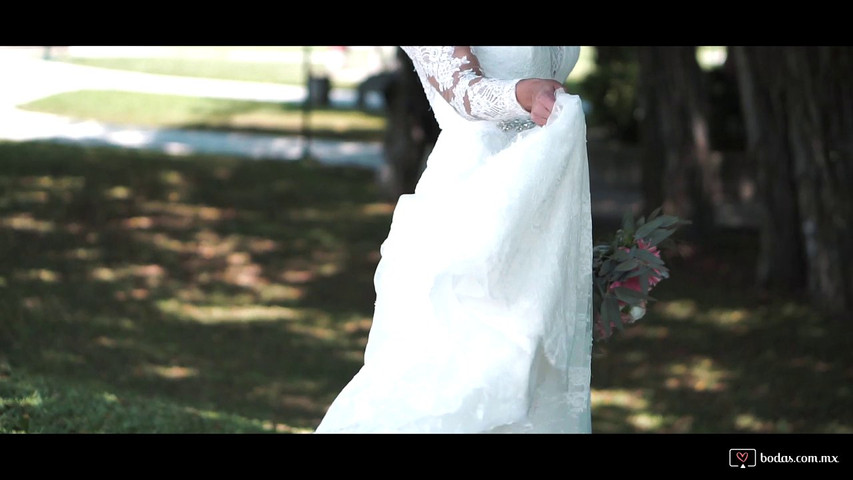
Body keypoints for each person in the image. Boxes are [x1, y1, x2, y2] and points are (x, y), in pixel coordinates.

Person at [315, 46, 592, 433]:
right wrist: (523, 94)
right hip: (472, 206)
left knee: (535, 384)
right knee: (457, 385)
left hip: (542, 202)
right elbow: (465, 91)